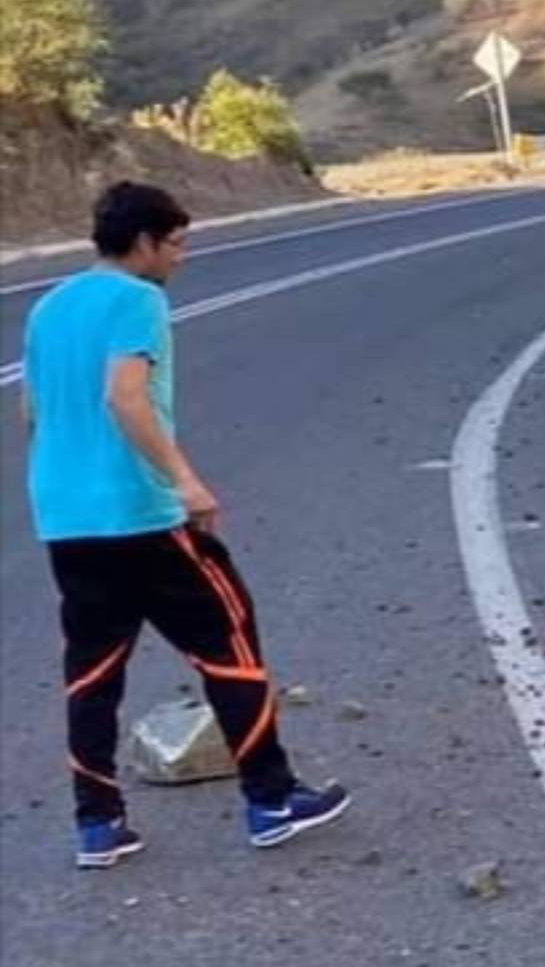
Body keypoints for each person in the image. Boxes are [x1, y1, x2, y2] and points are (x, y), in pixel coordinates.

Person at [20, 182, 350, 869]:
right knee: (228, 640)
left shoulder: (49, 307)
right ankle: (272, 798)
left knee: (92, 672)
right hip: (140, 513)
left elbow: (32, 413)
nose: (182, 257)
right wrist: (184, 480)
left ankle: (98, 826)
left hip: (66, 519)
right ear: (142, 243)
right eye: (175, 243)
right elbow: (124, 395)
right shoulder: (140, 300)